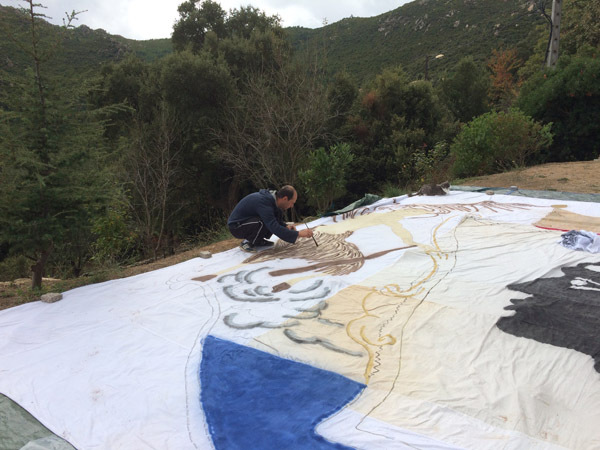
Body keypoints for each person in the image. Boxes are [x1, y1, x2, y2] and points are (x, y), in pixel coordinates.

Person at [227, 185, 314, 252]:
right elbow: (274, 227)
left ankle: (258, 241)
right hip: (236, 226)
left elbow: (274, 220)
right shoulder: (264, 203)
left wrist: (285, 226)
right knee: (262, 223)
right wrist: (298, 234)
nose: (292, 206)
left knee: (270, 219)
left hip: (248, 221)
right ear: (285, 198)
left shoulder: (272, 202)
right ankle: (247, 242)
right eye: (292, 203)